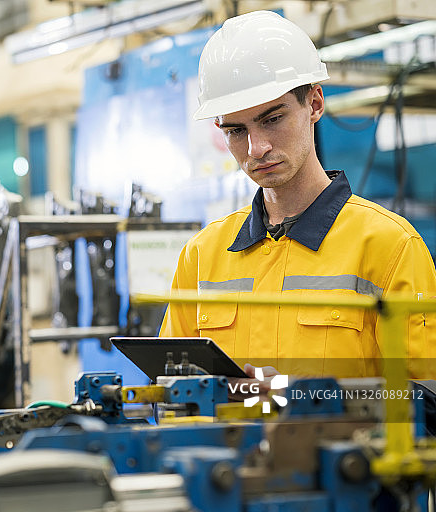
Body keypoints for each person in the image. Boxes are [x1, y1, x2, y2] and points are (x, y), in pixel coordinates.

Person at [159, 11, 436, 381]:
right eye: (236, 131)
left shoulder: (390, 247)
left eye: (272, 119)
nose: (256, 148)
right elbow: (170, 391)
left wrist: (294, 397)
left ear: (315, 104)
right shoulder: (202, 256)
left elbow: (425, 400)